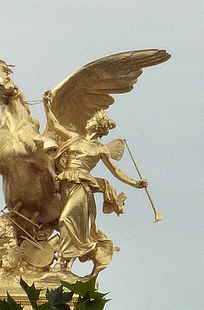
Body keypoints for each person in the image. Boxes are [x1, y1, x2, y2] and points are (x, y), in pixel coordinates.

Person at [43, 91, 147, 273]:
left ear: (97, 126)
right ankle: (67, 263)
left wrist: (134, 183)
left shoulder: (100, 148)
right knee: (66, 224)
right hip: (65, 183)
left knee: (66, 218)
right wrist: (46, 105)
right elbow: (54, 125)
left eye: (91, 120)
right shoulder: (75, 138)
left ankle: (61, 261)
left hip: (82, 187)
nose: (88, 121)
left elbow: (116, 171)